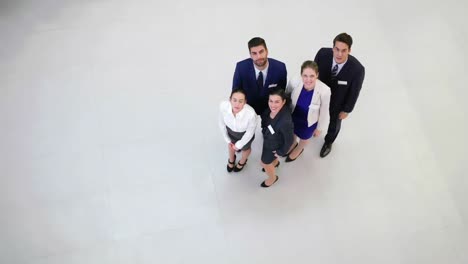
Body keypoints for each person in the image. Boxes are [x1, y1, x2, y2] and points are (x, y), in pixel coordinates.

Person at [314, 32, 365, 157]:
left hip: (337, 104)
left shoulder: (357, 69)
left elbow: (354, 92)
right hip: (318, 97)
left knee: (334, 124)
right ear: (333, 48)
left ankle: (329, 142)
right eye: (337, 49)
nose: (339, 54)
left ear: (349, 50)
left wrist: (347, 110)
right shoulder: (322, 54)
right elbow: (313, 73)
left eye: (344, 50)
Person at [285, 60, 331, 162]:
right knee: (293, 132)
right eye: (305, 76)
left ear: (317, 75)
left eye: (312, 76)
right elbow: (287, 94)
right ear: (301, 75)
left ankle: (299, 148)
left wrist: (320, 128)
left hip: (309, 121)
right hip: (294, 115)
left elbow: (324, 111)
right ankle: (293, 143)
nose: (308, 79)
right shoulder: (295, 81)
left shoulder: (324, 90)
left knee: (304, 138)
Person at [233, 37, 287, 115]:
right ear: (250, 55)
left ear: (267, 51)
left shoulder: (280, 68)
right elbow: (236, 94)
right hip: (246, 115)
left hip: (271, 114)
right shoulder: (241, 68)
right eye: (254, 53)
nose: (258, 56)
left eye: (261, 52)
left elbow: (281, 95)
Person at [260, 87, 294, 188]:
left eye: (277, 102)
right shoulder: (268, 111)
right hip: (268, 139)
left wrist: (281, 152)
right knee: (270, 160)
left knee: (264, 162)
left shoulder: (285, 121)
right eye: (271, 101)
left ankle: (272, 178)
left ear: (283, 102)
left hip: (274, 145)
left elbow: (289, 139)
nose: (273, 105)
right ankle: (274, 163)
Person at [219, 88, 257, 172]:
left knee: (246, 149)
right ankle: (231, 160)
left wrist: (239, 145)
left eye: (240, 101)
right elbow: (221, 123)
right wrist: (227, 139)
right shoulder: (223, 106)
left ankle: (242, 161)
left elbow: (250, 132)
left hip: (244, 134)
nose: (237, 104)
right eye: (234, 100)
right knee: (231, 146)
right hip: (230, 131)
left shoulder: (251, 114)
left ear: (245, 102)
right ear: (230, 99)